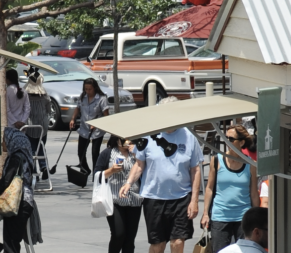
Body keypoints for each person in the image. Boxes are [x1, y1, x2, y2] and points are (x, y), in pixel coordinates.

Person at [120, 98, 203, 253]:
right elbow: (139, 164)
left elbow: (195, 170)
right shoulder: (148, 136)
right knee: (159, 244)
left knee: (177, 242)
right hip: (154, 198)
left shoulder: (188, 136)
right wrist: (128, 183)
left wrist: (194, 201)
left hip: (181, 198)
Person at [202, 124, 259, 250]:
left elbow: (254, 193)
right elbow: (209, 188)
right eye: (226, 138)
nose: (227, 141)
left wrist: (257, 218)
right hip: (220, 217)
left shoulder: (251, 164)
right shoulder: (216, 160)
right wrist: (205, 213)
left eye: (231, 139)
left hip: (243, 218)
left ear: (242, 142)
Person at [94, 135, 143, 253]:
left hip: (135, 199)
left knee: (130, 239)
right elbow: (96, 175)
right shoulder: (108, 153)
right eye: (123, 139)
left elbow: (144, 170)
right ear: (116, 140)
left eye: (129, 139)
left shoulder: (137, 152)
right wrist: (111, 170)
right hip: (114, 199)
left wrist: (136, 154)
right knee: (118, 234)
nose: (126, 142)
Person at [70, 77, 109, 172]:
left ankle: (96, 174)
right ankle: (85, 169)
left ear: (95, 88)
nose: (87, 91)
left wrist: (97, 123)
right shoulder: (83, 96)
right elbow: (78, 108)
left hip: (97, 130)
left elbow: (107, 116)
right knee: (80, 152)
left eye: (89, 89)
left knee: (95, 153)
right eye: (86, 89)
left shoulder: (102, 98)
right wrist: (73, 119)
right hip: (84, 128)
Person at [23, 67, 51, 169]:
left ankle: (32, 168)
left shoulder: (25, 96)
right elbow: (49, 111)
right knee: (41, 146)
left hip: (30, 126)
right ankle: (43, 166)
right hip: (42, 126)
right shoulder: (45, 96)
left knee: (31, 149)